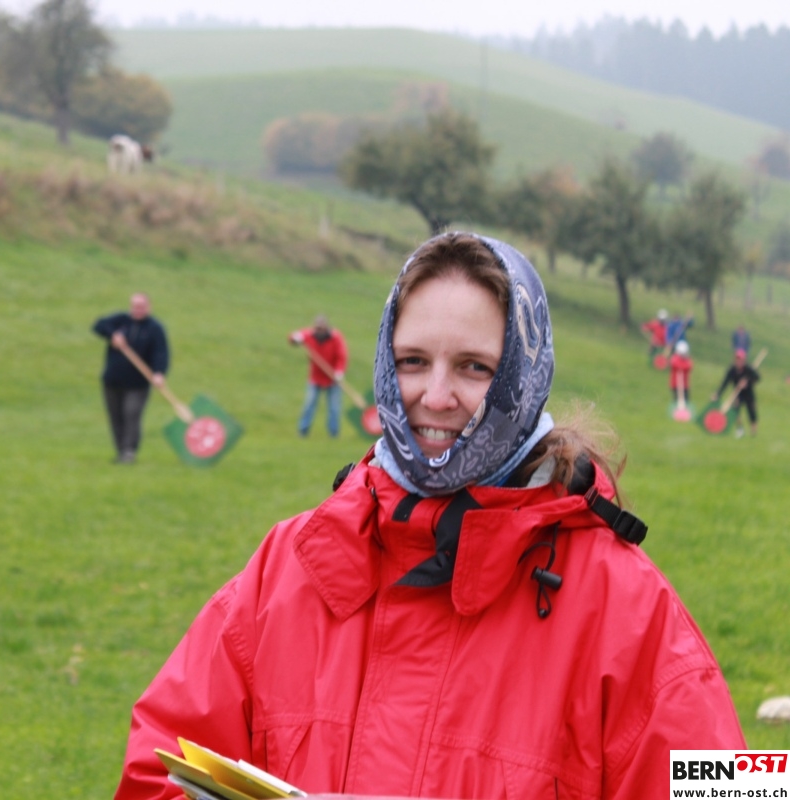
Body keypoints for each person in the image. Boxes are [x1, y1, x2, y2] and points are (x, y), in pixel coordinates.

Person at [114, 233, 744, 800]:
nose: (435, 397)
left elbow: (740, 787)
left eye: (475, 367)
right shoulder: (290, 564)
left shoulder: (628, 606)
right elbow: (157, 771)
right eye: (413, 361)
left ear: (524, 374)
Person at [93, 293, 169, 464]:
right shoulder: (121, 321)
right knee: (116, 417)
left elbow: (161, 353)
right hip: (112, 381)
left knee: (131, 414)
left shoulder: (155, 328)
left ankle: (129, 452)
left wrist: (159, 373)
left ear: (148, 307)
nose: (138, 310)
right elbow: (98, 325)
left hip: (138, 384)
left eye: (141, 306)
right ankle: (121, 451)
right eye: (135, 306)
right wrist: (113, 335)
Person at [288, 315, 348, 438]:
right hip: (315, 378)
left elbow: (341, 356)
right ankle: (303, 430)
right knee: (309, 404)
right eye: (317, 328)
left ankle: (334, 433)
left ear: (326, 328)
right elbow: (292, 338)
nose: (319, 331)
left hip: (332, 378)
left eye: (321, 328)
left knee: (334, 407)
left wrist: (339, 372)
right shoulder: (309, 335)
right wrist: (295, 338)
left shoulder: (336, 338)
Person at [713, 349, 761, 438]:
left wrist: (747, 382)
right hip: (738, 393)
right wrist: (718, 394)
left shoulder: (748, 369)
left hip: (749, 393)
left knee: (752, 412)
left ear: (744, 360)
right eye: (737, 359)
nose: (739, 361)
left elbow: (757, 378)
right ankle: (740, 428)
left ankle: (753, 433)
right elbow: (725, 383)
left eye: (741, 359)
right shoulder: (732, 370)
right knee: (735, 410)